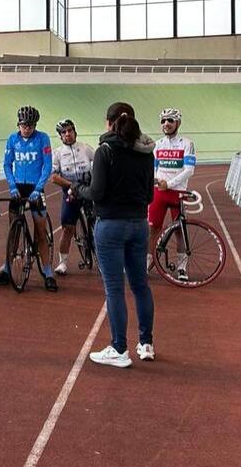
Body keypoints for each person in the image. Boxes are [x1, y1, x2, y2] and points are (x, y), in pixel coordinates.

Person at [71, 102, 156, 368]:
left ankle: (119, 348)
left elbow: (95, 192)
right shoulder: (146, 153)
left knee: (114, 288)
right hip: (139, 223)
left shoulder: (105, 151)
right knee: (140, 285)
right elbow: (150, 195)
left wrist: (76, 189)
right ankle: (146, 343)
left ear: (109, 123)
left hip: (110, 225)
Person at [0, 105, 57, 292]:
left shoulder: (42, 138)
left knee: (40, 231)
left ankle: (48, 273)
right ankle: (7, 269)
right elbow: (7, 164)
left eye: (30, 125)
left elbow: (47, 166)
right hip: (18, 188)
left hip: (35, 187)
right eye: (23, 125)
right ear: (18, 124)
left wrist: (39, 188)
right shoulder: (12, 139)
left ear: (35, 125)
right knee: (13, 231)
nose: (26, 128)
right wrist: (12, 186)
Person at [150, 108, 196, 281]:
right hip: (158, 193)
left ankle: (182, 267)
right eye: (163, 121)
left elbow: (189, 170)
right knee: (153, 229)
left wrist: (169, 184)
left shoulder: (187, 143)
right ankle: (149, 262)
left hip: (177, 192)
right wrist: (156, 180)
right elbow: (153, 168)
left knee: (180, 231)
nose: (166, 124)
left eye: (170, 120)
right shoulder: (158, 144)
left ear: (178, 123)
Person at [50, 118, 94, 275]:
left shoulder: (86, 148)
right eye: (64, 132)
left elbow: (98, 165)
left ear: (75, 132)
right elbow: (54, 177)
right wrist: (70, 185)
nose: (68, 134)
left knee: (98, 224)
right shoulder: (57, 154)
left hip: (88, 189)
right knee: (68, 228)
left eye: (70, 130)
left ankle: (103, 258)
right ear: (60, 136)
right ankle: (62, 263)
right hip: (70, 191)